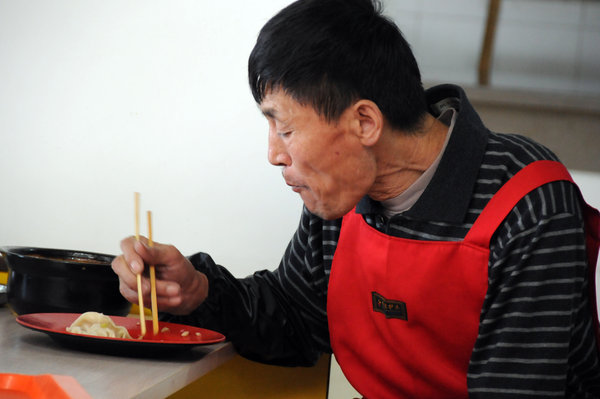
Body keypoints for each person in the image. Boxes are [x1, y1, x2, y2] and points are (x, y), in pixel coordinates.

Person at [111, 0, 600, 397]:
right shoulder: (342, 199)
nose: (273, 155)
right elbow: (294, 321)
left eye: (284, 127)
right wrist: (198, 290)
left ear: (365, 122)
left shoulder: (528, 205)